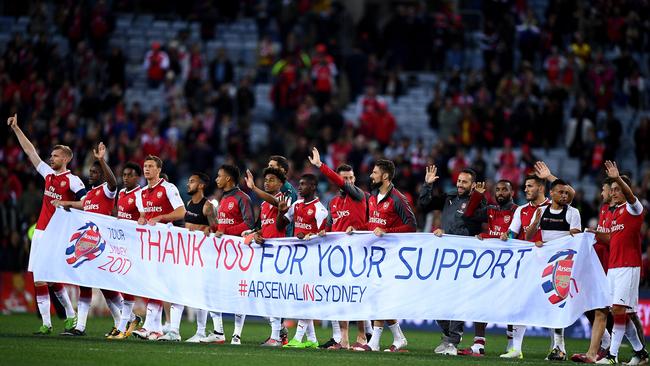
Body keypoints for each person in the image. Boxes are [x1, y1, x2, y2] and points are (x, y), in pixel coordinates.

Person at [7, 114, 83, 335]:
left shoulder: (73, 180)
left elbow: (86, 203)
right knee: (40, 278)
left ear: (66, 159)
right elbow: (30, 151)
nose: (51, 158)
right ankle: (47, 324)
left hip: (57, 235)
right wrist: (16, 129)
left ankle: (70, 316)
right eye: (51, 155)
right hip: (40, 232)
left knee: (49, 278)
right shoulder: (48, 175)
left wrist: (66, 202)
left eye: (56, 156)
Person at [500, 161, 573, 360]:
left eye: (529, 186)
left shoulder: (555, 205)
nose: (525, 189)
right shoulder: (521, 210)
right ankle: (516, 349)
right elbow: (514, 233)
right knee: (520, 303)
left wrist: (551, 176)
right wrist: (507, 236)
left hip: (554, 264)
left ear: (541, 188)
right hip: (528, 265)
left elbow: (567, 192)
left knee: (554, 304)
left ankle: (559, 347)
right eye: (525, 187)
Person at [54, 143, 125, 338]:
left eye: (95, 172)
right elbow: (81, 206)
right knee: (84, 284)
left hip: (102, 246)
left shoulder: (106, 190)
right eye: (90, 171)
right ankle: (81, 327)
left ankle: (128, 319)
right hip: (87, 245)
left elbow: (113, 183)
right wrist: (66, 204)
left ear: (102, 174)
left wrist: (102, 160)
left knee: (106, 287)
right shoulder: (90, 193)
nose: (91, 174)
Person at [417, 165, 486, 356]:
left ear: (473, 185)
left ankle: (453, 341)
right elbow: (424, 205)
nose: (460, 184)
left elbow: (473, 222)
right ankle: (448, 335)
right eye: (459, 181)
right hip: (444, 255)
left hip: (465, 257)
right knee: (436, 296)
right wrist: (428, 185)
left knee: (456, 298)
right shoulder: (449, 197)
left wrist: (448, 233)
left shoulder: (478, 201)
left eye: (464, 182)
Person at [309, 147, 370, 350]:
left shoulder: (360, 195)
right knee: (340, 296)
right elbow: (328, 226)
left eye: (351, 178)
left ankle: (362, 335)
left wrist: (320, 166)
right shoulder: (333, 202)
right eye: (345, 178)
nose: (349, 181)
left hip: (359, 254)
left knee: (356, 295)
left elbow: (368, 224)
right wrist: (321, 232)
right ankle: (343, 338)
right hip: (338, 257)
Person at [356, 159, 414, 352]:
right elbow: (373, 225)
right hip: (374, 255)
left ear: (385, 176)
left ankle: (374, 343)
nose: (371, 176)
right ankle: (399, 337)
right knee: (378, 296)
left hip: (391, 255)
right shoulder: (372, 196)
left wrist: (388, 230)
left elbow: (411, 226)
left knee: (380, 295)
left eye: (374, 173)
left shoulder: (397, 198)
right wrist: (357, 229)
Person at [457, 180, 518, 356]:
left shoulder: (517, 211)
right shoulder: (491, 209)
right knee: (481, 299)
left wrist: (489, 235)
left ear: (511, 192)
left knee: (511, 303)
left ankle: (512, 344)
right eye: (497, 190)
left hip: (511, 263)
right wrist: (477, 196)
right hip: (490, 264)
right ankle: (478, 344)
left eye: (504, 190)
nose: (500, 193)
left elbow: (517, 234)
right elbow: (467, 215)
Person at [597, 161, 649, 365]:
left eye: (619, 189)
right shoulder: (615, 213)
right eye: (614, 189)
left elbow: (631, 196)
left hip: (629, 266)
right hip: (614, 267)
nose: (615, 192)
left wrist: (618, 177)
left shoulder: (634, 209)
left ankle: (612, 355)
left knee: (619, 310)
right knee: (620, 313)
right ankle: (641, 353)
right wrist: (593, 233)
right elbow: (612, 239)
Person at [132, 155, 186, 341]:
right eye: (145, 166)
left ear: (158, 170)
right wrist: (141, 219)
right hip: (150, 245)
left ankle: (153, 326)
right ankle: (154, 329)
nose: (146, 169)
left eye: (150, 166)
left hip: (168, 245)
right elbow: (143, 216)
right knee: (152, 284)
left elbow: (181, 212)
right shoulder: (141, 193)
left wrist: (161, 217)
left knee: (163, 284)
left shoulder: (168, 188)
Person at [159, 172, 218, 343]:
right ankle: (174, 331)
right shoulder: (188, 203)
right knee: (178, 290)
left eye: (192, 182)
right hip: (187, 255)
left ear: (201, 185)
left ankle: (200, 332)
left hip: (203, 258)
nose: (188, 184)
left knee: (200, 295)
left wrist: (210, 227)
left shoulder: (208, 206)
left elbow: (218, 230)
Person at [277, 173, 329, 349]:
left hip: (313, 260)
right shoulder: (296, 205)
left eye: (303, 184)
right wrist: (281, 210)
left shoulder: (320, 210)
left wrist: (309, 236)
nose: (299, 187)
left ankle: (298, 338)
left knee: (306, 298)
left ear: (313, 187)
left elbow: (325, 237)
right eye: (299, 184)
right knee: (302, 296)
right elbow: (279, 226)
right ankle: (312, 340)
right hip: (297, 259)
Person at [571, 178, 616, 362]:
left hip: (612, 266)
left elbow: (612, 239)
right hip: (597, 264)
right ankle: (602, 348)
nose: (602, 194)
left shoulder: (619, 212)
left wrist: (594, 233)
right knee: (591, 305)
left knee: (620, 313)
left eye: (604, 190)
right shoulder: (604, 209)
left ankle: (610, 349)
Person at [244, 167, 290, 347]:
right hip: (265, 254)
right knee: (261, 296)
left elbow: (278, 222)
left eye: (271, 180)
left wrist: (254, 188)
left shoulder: (283, 199)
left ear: (280, 183)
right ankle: (280, 332)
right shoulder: (263, 205)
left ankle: (276, 337)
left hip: (279, 255)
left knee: (273, 295)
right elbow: (268, 227)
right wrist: (257, 234)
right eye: (266, 180)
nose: (267, 182)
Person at [212, 164, 256, 345]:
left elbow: (249, 223)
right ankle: (218, 333)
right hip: (222, 253)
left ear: (228, 179)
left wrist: (227, 231)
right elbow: (221, 226)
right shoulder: (222, 198)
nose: (216, 179)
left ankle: (236, 334)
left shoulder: (242, 198)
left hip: (239, 254)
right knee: (214, 290)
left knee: (239, 293)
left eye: (219, 175)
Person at [108, 162, 145, 340]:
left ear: (137, 177)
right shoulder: (121, 193)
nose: (125, 178)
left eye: (129, 175)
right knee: (117, 283)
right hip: (120, 244)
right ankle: (130, 320)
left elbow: (144, 218)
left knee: (127, 284)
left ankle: (123, 326)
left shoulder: (141, 195)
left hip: (134, 245)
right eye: (124, 174)